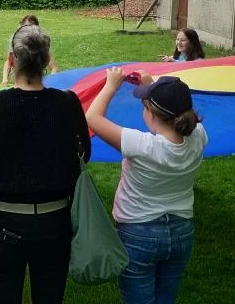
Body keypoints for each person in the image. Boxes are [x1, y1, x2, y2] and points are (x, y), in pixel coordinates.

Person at [0, 24, 90, 304]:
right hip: (55, 222)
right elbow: (83, 156)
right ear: (45, 61)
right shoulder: (67, 102)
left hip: (4, 223)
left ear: (11, 60)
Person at [85, 69, 206, 304]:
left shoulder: (141, 145)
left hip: (139, 234)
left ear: (151, 114)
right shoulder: (199, 136)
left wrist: (110, 85)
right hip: (182, 232)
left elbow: (92, 118)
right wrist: (152, 85)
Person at [0, 15, 58, 85]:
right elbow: (8, 61)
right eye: (25, 27)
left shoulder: (41, 44)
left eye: (31, 27)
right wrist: (4, 79)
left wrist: (48, 81)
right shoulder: (16, 41)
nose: (28, 31)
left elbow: (54, 68)